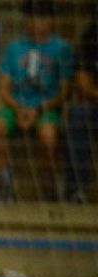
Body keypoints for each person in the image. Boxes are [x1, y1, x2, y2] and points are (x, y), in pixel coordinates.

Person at [0, 0, 73, 201]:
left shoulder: (62, 48)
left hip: (46, 107)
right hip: (14, 106)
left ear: (52, 21)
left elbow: (64, 92)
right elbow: (3, 87)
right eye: (32, 17)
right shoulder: (14, 47)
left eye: (42, 18)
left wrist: (38, 109)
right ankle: (4, 181)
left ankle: (49, 184)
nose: (36, 23)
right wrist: (19, 109)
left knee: (48, 135)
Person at [63, 6, 98, 202]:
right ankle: (76, 188)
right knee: (78, 113)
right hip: (95, 104)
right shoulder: (91, 36)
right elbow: (83, 85)